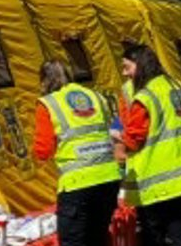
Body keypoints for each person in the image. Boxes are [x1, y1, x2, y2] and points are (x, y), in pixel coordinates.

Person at [119, 44, 181, 246]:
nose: (125, 73)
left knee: (156, 236)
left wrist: (117, 139)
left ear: (140, 65)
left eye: (127, 67)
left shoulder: (145, 97)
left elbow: (133, 139)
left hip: (161, 183)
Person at [35, 60, 121, 246]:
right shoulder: (96, 96)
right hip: (109, 179)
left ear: (44, 80)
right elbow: (109, 128)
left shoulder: (48, 104)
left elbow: (43, 150)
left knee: (73, 241)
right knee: (98, 238)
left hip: (77, 184)